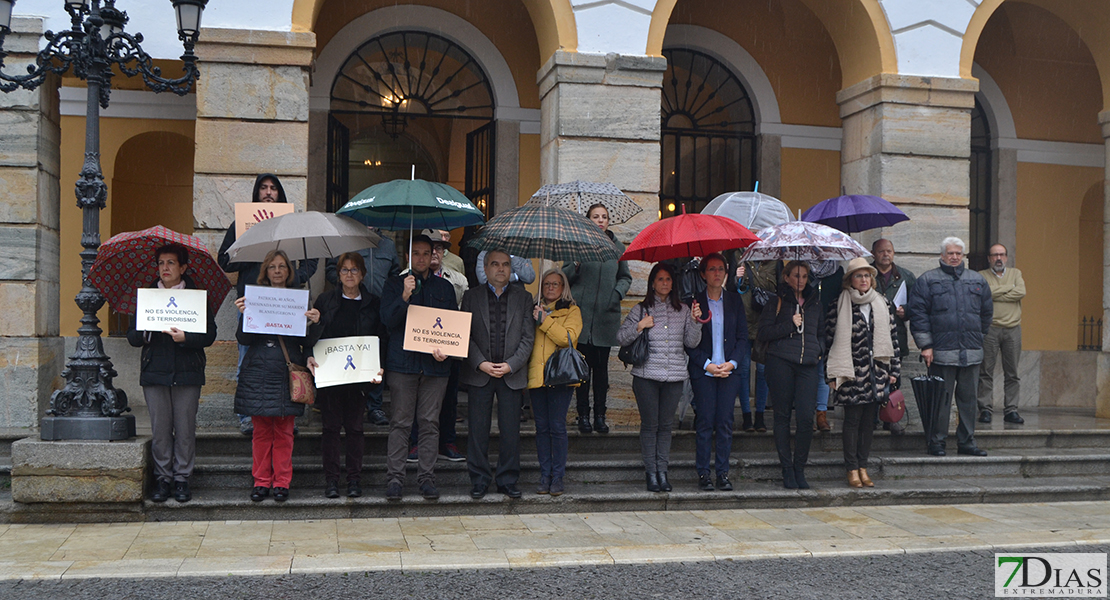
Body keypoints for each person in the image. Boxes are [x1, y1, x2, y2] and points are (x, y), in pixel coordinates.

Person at [218, 173, 318, 436]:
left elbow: (312, 259)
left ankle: (288, 415)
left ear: (280, 194)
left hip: (287, 307)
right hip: (254, 307)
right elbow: (225, 261)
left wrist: (296, 279)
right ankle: (247, 418)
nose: (268, 192)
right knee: (246, 363)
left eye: (273, 188)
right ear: (256, 193)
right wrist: (254, 249)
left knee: (290, 361)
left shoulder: (294, 226)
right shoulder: (241, 226)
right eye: (263, 188)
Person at [127, 243, 217, 503]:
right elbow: (132, 336)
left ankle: (182, 479)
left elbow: (210, 334)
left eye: (171, 263)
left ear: (183, 267)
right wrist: (146, 331)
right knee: (161, 428)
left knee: (185, 427)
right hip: (155, 370)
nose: (165, 268)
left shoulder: (197, 297)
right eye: (161, 264)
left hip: (187, 371)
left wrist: (185, 337)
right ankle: (163, 478)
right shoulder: (147, 297)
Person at [234, 249, 319, 503]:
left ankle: (282, 482)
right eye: (272, 267)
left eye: (282, 266)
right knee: (260, 432)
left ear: (289, 271)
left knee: (284, 433)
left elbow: (305, 342)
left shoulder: (299, 300)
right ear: (265, 272)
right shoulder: (253, 299)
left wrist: (314, 322)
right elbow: (244, 339)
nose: (278, 271)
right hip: (258, 372)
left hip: (285, 371)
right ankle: (261, 481)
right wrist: (243, 316)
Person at [379, 235, 457, 501]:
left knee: (429, 423)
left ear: (434, 255)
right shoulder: (393, 284)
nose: (421, 258)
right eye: (416, 253)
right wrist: (404, 295)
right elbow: (387, 322)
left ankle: (426, 478)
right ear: (407, 256)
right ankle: (395, 479)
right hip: (403, 364)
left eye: (426, 253)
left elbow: (451, 327)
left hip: (435, 369)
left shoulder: (445, 288)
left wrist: (446, 350)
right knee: (400, 423)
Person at [617, 263, 702, 493]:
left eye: (668, 279)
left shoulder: (684, 309)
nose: (665, 283)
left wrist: (695, 321)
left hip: (674, 377)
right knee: (650, 425)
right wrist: (640, 325)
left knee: (665, 426)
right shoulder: (641, 308)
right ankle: (651, 473)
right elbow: (621, 337)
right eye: (660, 279)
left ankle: (662, 472)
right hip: (646, 376)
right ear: (652, 283)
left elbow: (692, 343)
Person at [308, 252, 385, 499]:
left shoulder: (374, 302)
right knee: (330, 429)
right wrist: (317, 323)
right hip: (331, 377)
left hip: (359, 378)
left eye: (354, 270)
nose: (349, 275)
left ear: (362, 274)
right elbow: (311, 340)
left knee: (355, 429)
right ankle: (331, 481)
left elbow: (381, 339)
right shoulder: (325, 300)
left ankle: (354, 480)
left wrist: (380, 367)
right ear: (338, 274)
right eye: (344, 270)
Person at [908, 237, 993, 457]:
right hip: (941, 353)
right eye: (950, 253)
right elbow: (919, 315)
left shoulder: (977, 280)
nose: (954, 257)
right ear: (942, 256)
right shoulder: (927, 280)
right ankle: (937, 442)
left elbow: (986, 314)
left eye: (958, 253)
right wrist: (925, 345)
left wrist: (978, 337)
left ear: (963, 255)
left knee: (968, 401)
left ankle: (967, 442)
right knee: (941, 401)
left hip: (971, 352)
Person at [461, 250, 536, 499]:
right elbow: (465, 335)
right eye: (495, 264)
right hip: (480, 373)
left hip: (510, 374)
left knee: (511, 431)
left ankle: (507, 479)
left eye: (505, 264)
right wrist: (480, 362)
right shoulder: (471, 296)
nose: (501, 269)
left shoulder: (524, 298)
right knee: (478, 430)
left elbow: (528, 338)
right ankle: (479, 479)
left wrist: (511, 365)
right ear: (485, 267)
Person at [825, 258, 900, 489]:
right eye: (859, 276)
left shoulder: (882, 303)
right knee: (852, 421)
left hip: (876, 372)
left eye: (867, 275)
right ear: (850, 280)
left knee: (869, 422)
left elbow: (893, 338)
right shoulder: (840, 303)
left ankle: (863, 466)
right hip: (851, 372)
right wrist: (832, 374)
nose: (864, 280)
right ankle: (851, 468)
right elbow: (829, 340)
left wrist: (894, 370)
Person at [564, 203, 632, 434]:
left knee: (601, 372)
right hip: (581, 319)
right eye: (595, 216)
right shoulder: (578, 246)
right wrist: (576, 263)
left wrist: (616, 294)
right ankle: (582, 415)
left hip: (605, 318)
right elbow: (564, 277)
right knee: (582, 371)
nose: (600, 220)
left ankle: (600, 416)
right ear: (588, 220)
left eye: (604, 216)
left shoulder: (618, 248)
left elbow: (625, 277)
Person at [758, 260, 824, 489]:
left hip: (807, 365)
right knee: (782, 416)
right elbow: (764, 332)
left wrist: (819, 351)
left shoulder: (815, 302)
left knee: (806, 418)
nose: (800, 280)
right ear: (786, 277)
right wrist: (789, 323)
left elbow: (822, 332)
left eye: (804, 276)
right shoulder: (775, 301)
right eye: (796, 275)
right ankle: (787, 468)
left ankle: (799, 467)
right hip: (781, 362)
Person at [324, 226, 399, 427]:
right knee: (348, 356)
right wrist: (347, 283)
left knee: (374, 356)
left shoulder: (388, 245)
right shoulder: (346, 243)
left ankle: (375, 407)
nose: (371, 224)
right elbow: (331, 269)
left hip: (378, 307)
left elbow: (395, 273)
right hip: (349, 304)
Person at [406, 229, 468, 463]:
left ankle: (448, 441)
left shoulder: (455, 281)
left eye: (436, 250)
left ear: (442, 253)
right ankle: (416, 443)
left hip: (446, 352)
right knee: (415, 403)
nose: (431, 256)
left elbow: (459, 313)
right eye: (420, 252)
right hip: (414, 355)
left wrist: (452, 345)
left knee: (449, 399)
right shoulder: (405, 279)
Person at [687, 254, 747, 492]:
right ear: (703, 274)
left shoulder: (734, 301)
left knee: (724, 422)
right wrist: (707, 365)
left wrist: (731, 363)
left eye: (721, 269)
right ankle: (703, 472)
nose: (717, 273)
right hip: (705, 371)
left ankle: (722, 472)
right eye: (711, 269)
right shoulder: (695, 303)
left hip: (729, 371)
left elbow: (743, 337)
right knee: (705, 422)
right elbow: (690, 343)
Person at [527, 269, 583, 496]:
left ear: (563, 288)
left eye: (556, 284)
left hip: (560, 376)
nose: (550, 287)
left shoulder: (572, 310)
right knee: (541, 428)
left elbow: (568, 338)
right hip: (537, 375)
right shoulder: (532, 308)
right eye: (547, 284)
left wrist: (545, 320)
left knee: (557, 427)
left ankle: (557, 477)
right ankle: (544, 474)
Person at [977, 243, 1026, 426]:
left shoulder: (1016, 274)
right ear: (989, 258)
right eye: (995, 255)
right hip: (990, 329)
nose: (998, 258)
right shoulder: (982, 276)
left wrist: (995, 293)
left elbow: (1021, 291)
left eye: (1002, 255)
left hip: (1013, 329)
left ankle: (1011, 410)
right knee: (985, 371)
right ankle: (985, 409)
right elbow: (984, 293)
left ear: (1006, 257)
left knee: (1012, 372)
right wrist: (1008, 289)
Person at [871, 238, 915, 435]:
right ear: (874, 254)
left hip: (896, 335)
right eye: (881, 251)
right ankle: (870, 418)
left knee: (893, 379)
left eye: (889, 250)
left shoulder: (906, 276)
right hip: (870, 336)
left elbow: (919, 305)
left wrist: (907, 310)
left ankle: (891, 418)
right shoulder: (866, 274)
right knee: (870, 377)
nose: (885, 254)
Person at [733, 259, 776, 432]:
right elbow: (729, 287)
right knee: (743, 370)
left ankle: (760, 415)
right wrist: (736, 279)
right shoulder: (737, 255)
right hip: (742, 322)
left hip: (764, 323)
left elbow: (778, 290)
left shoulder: (774, 261)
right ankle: (746, 416)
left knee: (762, 371)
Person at [811, 262, 843, 433]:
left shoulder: (837, 270)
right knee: (807, 372)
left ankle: (821, 413)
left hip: (829, 324)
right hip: (807, 324)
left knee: (824, 372)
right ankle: (807, 413)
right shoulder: (804, 267)